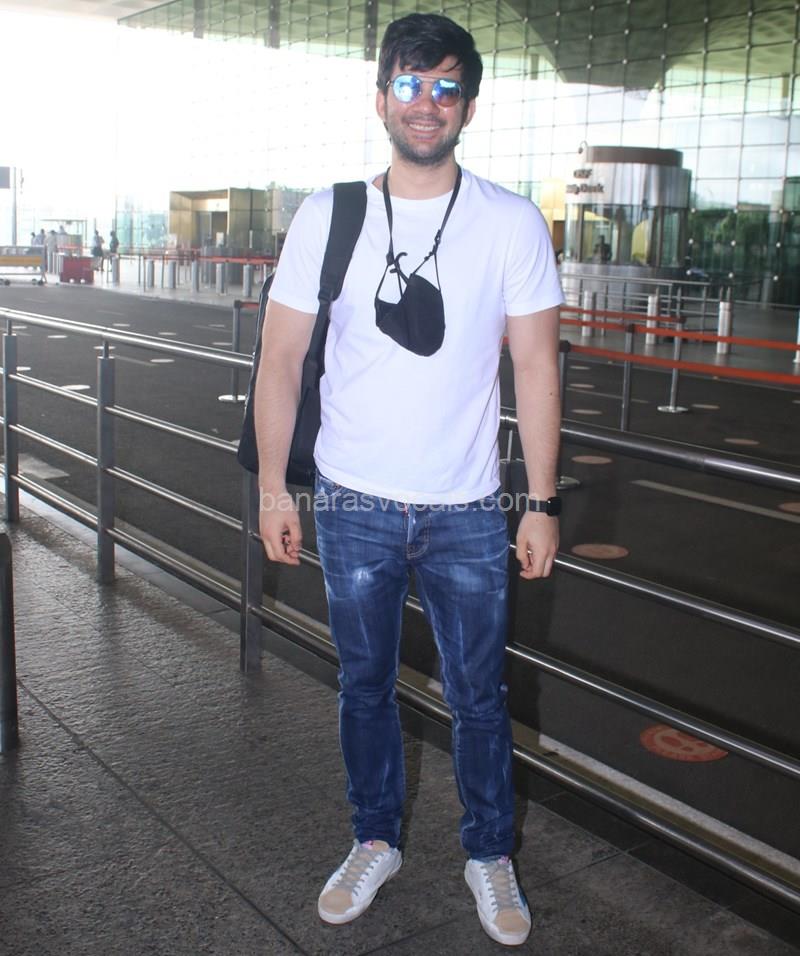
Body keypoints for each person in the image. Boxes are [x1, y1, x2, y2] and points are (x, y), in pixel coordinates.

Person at [254, 12, 563, 948]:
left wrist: (540, 501)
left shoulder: (510, 221)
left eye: (445, 87)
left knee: (479, 696)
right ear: (380, 96)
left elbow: (536, 367)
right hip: (353, 499)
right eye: (409, 83)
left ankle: (489, 852)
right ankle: (375, 838)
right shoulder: (329, 214)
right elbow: (280, 359)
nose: (426, 103)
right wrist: (274, 488)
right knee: (363, 687)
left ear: (468, 104)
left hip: (469, 506)